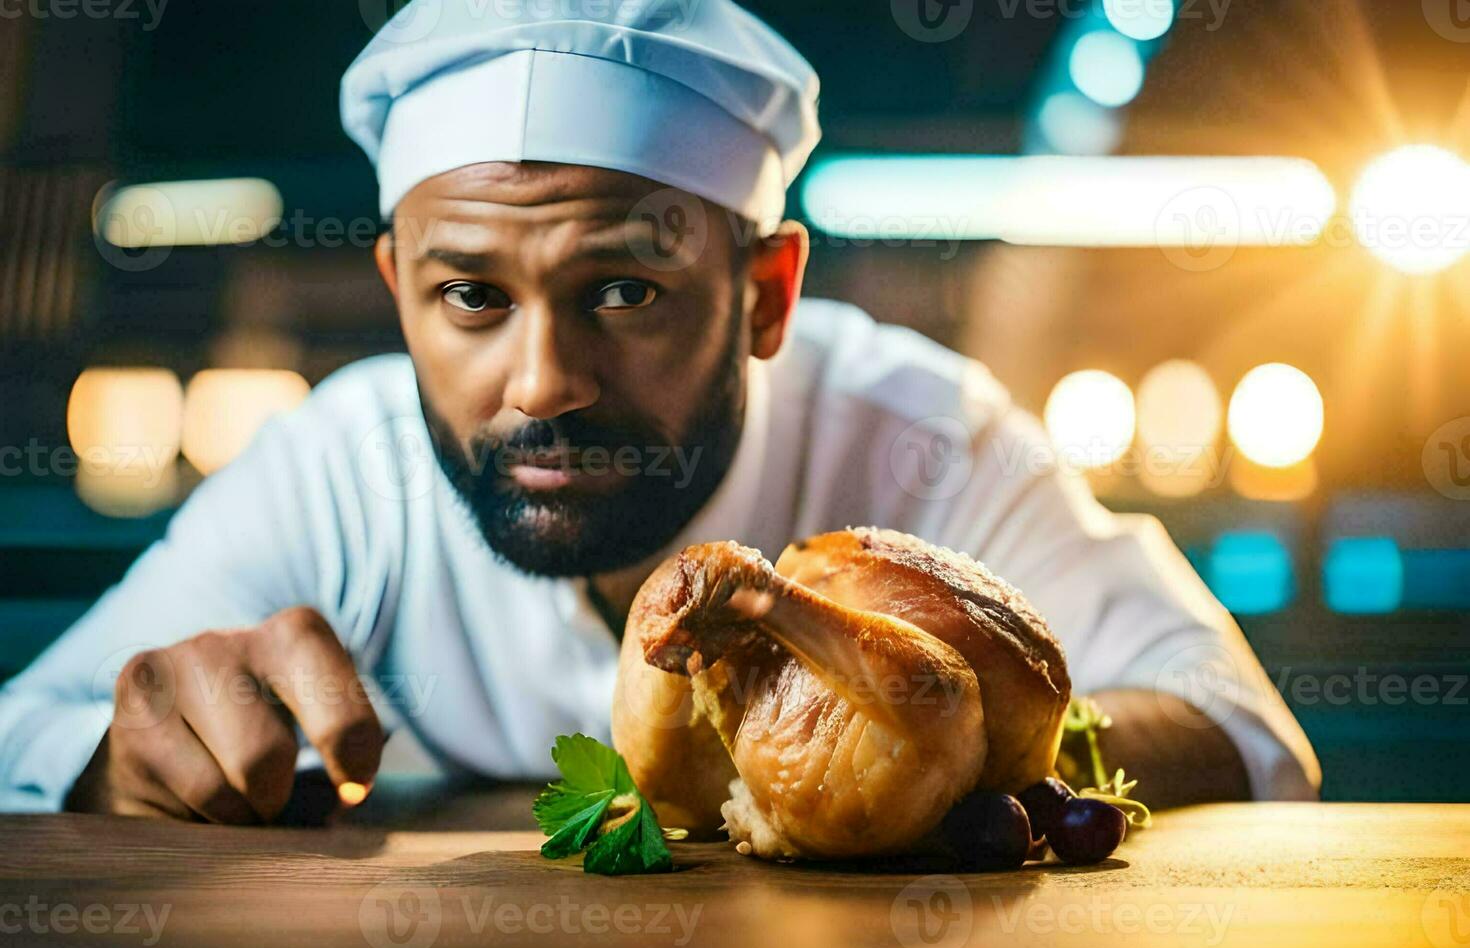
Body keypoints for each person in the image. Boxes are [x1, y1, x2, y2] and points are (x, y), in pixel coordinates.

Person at [0, 0, 1318, 821]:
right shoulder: (340, 470)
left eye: (622, 290)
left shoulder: (914, 435)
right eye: (470, 297)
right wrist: (123, 758)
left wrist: (927, 749)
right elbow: (29, 732)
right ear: (399, 287)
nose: (540, 384)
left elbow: (1239, 725)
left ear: (762, 294)